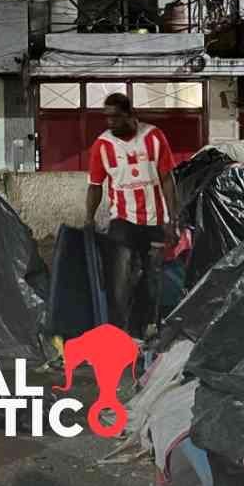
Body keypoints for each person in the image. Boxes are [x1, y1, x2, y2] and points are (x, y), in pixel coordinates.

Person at [85, 92, 179, 338]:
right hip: (122, 218)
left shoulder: (154, 137)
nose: (111, 122)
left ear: (130, 114)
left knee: (152, 276)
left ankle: (148, 326)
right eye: (107, 117)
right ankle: (121, 332)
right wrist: (89, 218)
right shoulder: (102, 145)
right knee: (121, 275)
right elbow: (95, 186)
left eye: (116, 117)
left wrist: (173, 219)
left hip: (155, 219)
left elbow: (167, 179)